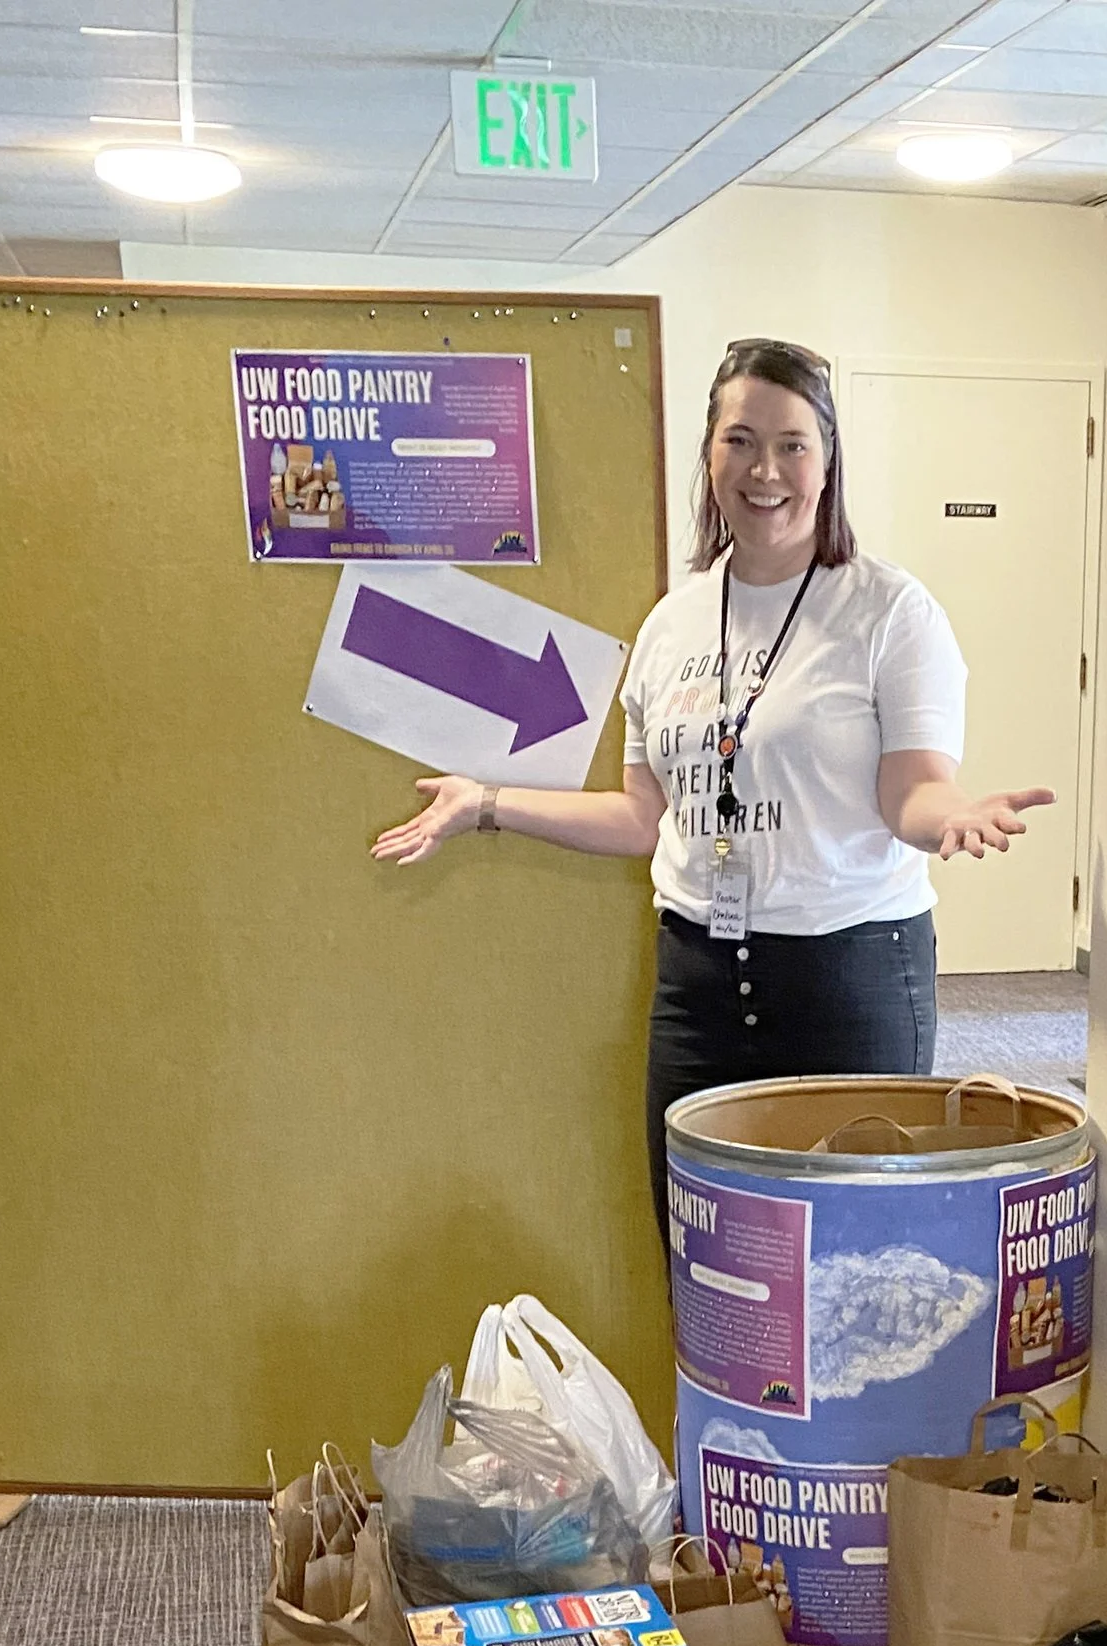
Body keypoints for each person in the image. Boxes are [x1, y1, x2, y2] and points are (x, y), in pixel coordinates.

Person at [372, 337, 1052, 1236]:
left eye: (792, 444)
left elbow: (910, 792)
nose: (765, 470)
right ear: (709, 455)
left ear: (829, 460)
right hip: (697, 983)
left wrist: (951, 817)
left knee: (850, 1256)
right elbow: (643, 814)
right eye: (741, 440)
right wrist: (486, 804)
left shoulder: (889, 612)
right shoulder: (672, 622)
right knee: (705, 1256)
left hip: (846, 973)